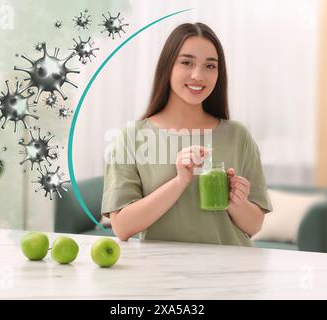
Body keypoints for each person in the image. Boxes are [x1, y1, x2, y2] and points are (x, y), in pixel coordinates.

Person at [101, 22, 272, 245]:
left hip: (231, 273)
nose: (198, 75)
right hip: (164, 274)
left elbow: (254, 226)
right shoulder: (131, 138)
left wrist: (236, 202)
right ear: (167, 66)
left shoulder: (238, 136)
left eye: (210, 66)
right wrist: (180, 181)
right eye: (186, 62)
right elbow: (122, 227)